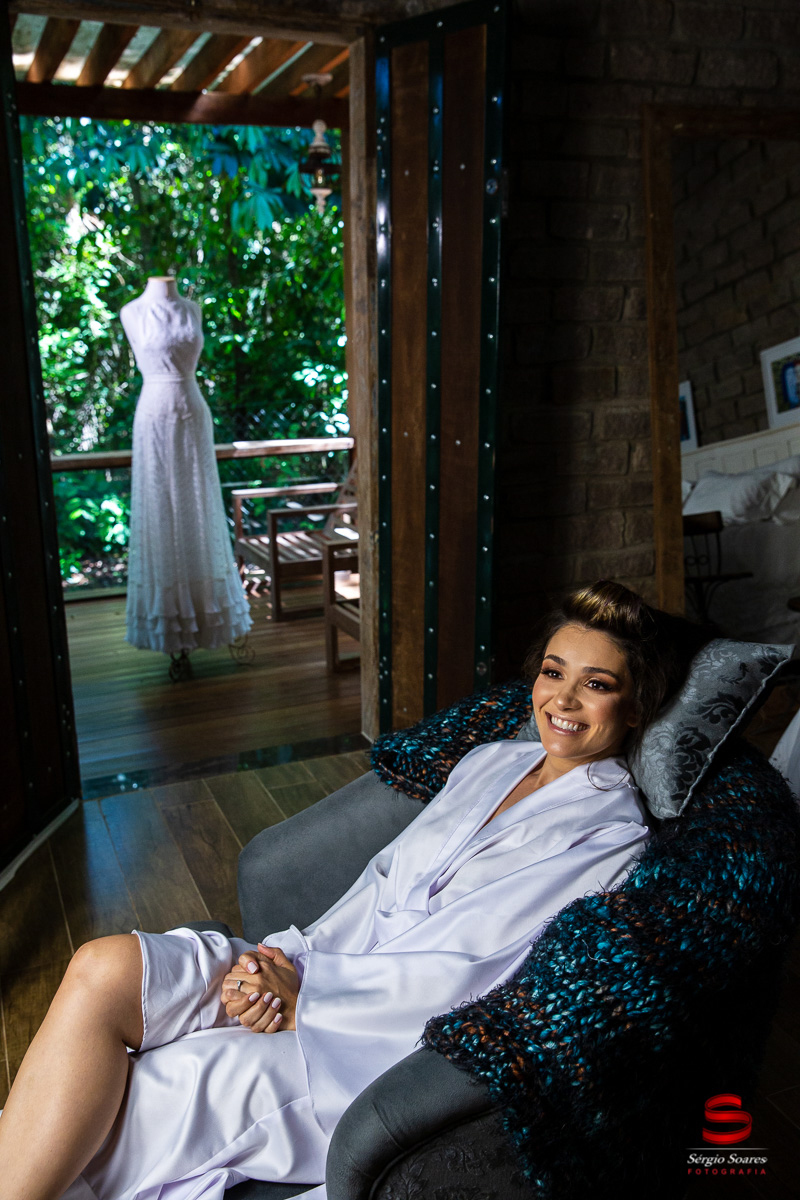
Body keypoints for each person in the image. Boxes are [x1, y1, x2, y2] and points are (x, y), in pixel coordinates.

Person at [0, 582, 704, 1200]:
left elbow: (478, 971)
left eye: (597, 684)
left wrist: (309, 1001)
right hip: (316, 964)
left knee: (175, 1078)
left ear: (635, 707)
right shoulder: (492, 761)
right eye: (553, 672)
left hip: (369, 1043)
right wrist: (274, 964)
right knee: (107, 966)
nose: (563, 699)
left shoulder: (610, 837)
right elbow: (379, 884)